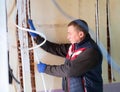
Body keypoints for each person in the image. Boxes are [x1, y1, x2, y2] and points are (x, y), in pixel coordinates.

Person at [29, 19, 103, 92]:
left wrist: (46, 68)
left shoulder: (91, 52)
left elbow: (69, 70)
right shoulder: (75, 47)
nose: (68, 37)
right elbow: (56, 49)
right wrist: (37, 38)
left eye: (70, 33)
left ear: (81, 34)